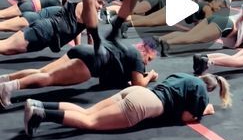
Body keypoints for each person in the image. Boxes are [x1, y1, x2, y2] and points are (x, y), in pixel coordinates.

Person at [23, 72, 232, 137]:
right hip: (145, 105)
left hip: (138, 92)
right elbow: (186, 117)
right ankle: (40, 115)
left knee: (88, 111)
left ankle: (39, 104)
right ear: (212, 89)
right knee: (90, 122)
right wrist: (203, 110)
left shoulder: (185, 76)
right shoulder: (202, 93)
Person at [0, 39, 158, 108]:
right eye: (149, 59)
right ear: (145, 51)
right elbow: (139, 85)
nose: (147, 63)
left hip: (84, 50)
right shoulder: (137, 57)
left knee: (42, 71)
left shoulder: (128, 48)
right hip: (91, 62)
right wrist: (150, 75)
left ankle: (5, 79)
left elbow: (106, 82)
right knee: (49, 78)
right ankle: (8, 88)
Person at [0, 0, 105, 57]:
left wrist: (77, 49)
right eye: (99, 2)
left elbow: (77, 29)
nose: (100, 7)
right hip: (42, 30)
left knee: (7, 50)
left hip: (43, 34)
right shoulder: (88, 13)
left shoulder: (79, 9)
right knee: (4, 46)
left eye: (102, 5)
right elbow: (91, 39)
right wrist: (90, 56)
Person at [153, 14, 243, 57]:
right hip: (224, 25)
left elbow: (229, 43)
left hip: (218, 19)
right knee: (194, 38)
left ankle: (161, 38)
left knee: (190, 34)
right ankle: (166, 43)